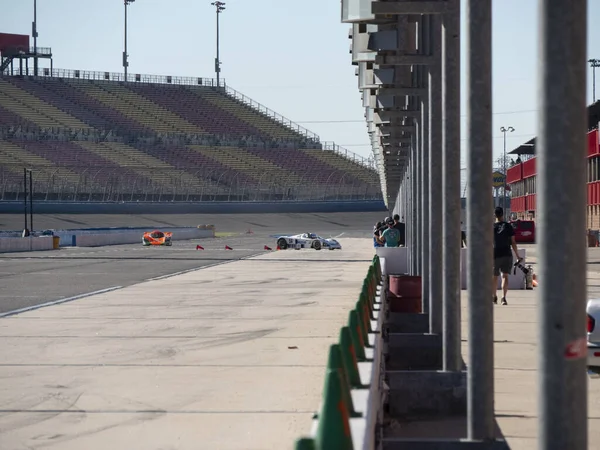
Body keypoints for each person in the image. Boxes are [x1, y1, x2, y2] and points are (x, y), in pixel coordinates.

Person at [493, 206, 522, 305]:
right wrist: (517, 255)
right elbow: (513, 242)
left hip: (495, 254)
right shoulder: (508, 226)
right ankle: (503, 298)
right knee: (505, 276)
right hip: (506, 253)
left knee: (494, 276)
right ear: (503, 214)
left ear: (495, 215)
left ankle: (494, 296)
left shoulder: (492, 226)